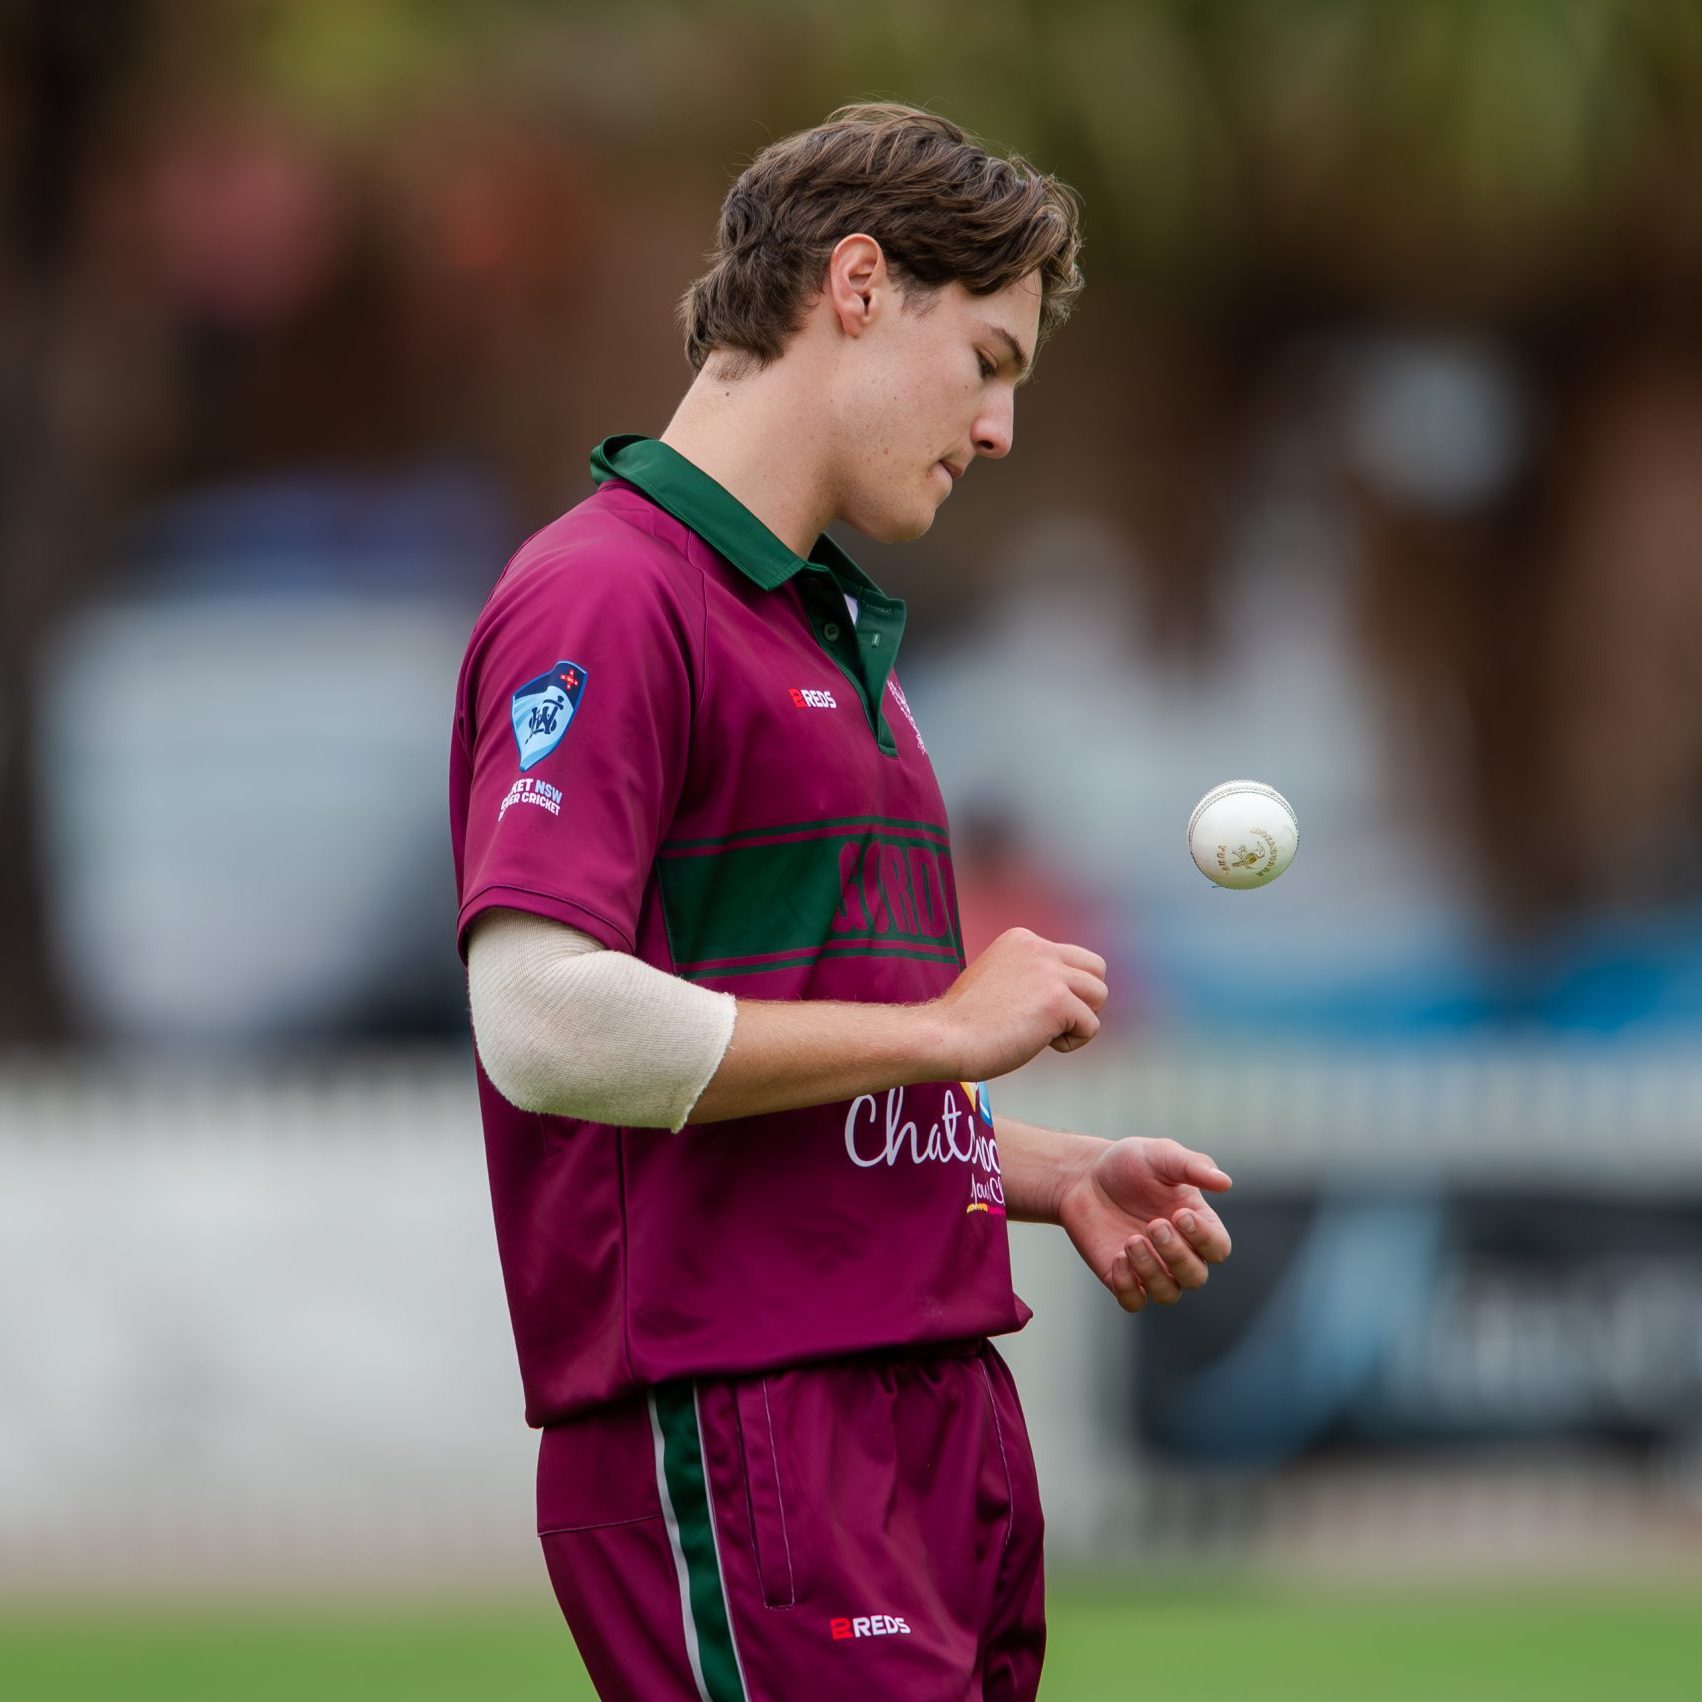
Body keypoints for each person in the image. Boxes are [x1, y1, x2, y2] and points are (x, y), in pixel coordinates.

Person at [448, 103, 1233, 1702]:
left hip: (929, 1403)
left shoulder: (827, 634)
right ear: (858, 286)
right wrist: (948, 1030)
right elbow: (539, 1021)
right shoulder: (607, 593)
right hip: (741, 1411)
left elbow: (806, 1057)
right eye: (988, 362)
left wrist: (1031, 1165)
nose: (998, 429)